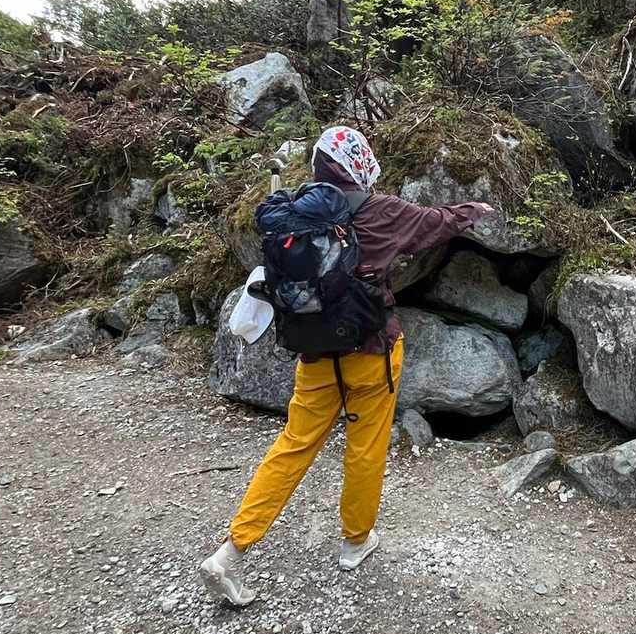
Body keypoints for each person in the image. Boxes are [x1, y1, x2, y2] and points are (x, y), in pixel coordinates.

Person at [199, 124, 493, 607]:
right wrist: (473, 211)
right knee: (365, 447)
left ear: (319, 168)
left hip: (314, 356)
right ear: (360, 164)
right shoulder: (381, 211)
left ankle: (230, 551)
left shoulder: (292, 215)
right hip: (372, 351)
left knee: (292, 448)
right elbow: (434, 223)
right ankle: (355, 541)